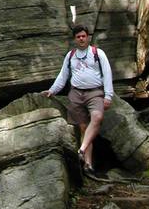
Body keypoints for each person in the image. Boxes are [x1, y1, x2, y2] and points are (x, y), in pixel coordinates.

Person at [44, 24, 113, 174]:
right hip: (76, 94)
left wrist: (108, 95)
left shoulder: (97, 53)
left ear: (88, 37)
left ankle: (81, 150)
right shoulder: (71, 56)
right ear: (75, 39)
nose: (81, 39)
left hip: (94, 92)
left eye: (83, 36)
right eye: (78, 37)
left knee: (97, 117)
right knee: (83, 128)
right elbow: (63, 76)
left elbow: (107, 74)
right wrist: (52, 90)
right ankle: (88, 165)